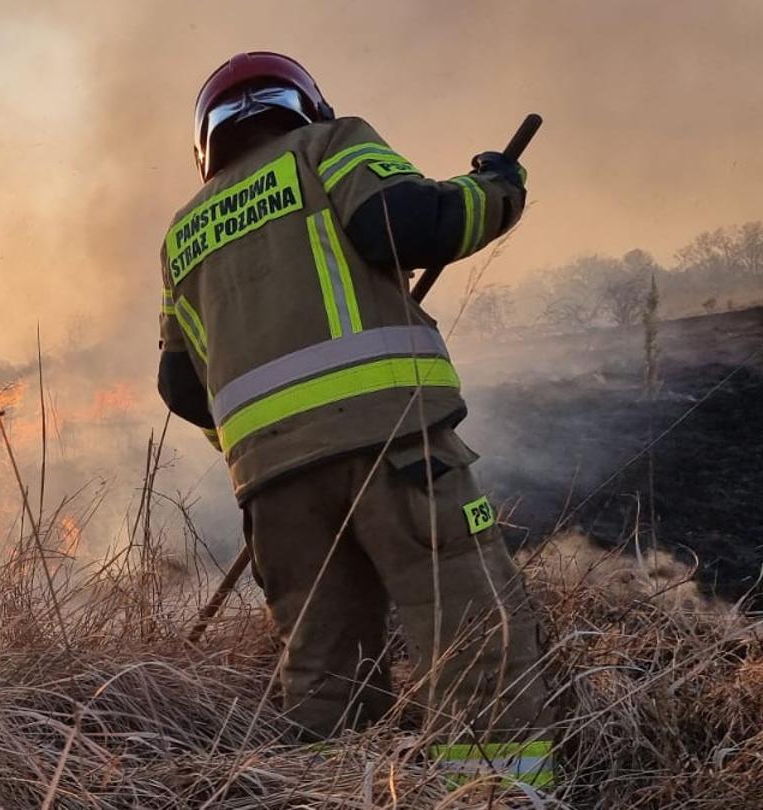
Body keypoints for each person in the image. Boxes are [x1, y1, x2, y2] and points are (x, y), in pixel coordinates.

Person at [155, 52, 552, 789]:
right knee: (468, 628)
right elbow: (407, 223)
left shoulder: (182, 236)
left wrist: (257, 445)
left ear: (207, 139)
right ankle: (496, 794)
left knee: (323, 665)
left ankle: (331, 793)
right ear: (304, 105)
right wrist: (497, 187)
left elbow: (181, 385)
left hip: (274, 488)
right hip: (392, 445)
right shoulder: (327, 146)